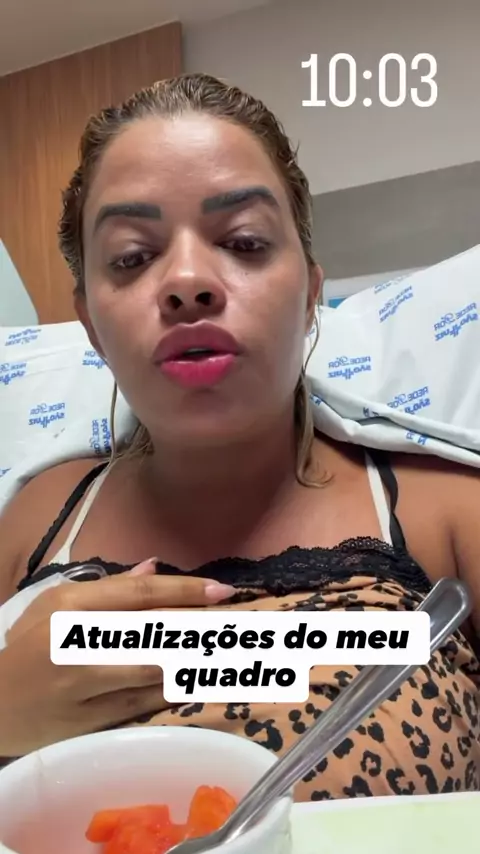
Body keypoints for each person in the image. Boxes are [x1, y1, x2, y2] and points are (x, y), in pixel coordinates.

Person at [0, 73, 479, 801]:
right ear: (91, 324)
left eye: (244, 242)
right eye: (132, 257)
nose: (188, 281)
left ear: (311, 294)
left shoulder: (447, 514)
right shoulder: (36, 520)